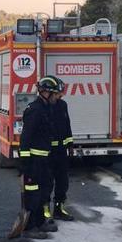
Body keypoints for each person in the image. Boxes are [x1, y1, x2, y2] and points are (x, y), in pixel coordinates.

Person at [18, 76, 60, 239]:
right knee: (33, 194)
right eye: (54, 93)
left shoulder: (46, 108)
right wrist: (25, 163)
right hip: (34, 161)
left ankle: (41, 222)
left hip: (44, 160)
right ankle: (29, 227)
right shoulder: (34, 110)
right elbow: (25, 138)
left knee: (44, 192)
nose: (57, 97)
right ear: (45, 92)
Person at [46, 76, 75, 222]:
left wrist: (70, 144)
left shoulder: (62, 106)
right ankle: (45, 213)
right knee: (47, 183)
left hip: (61, 152)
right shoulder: (43, 107)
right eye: (57, 93)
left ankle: (59, 209)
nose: (60, 95)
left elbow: (66, 126)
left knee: (62, 182)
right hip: (47, 153)